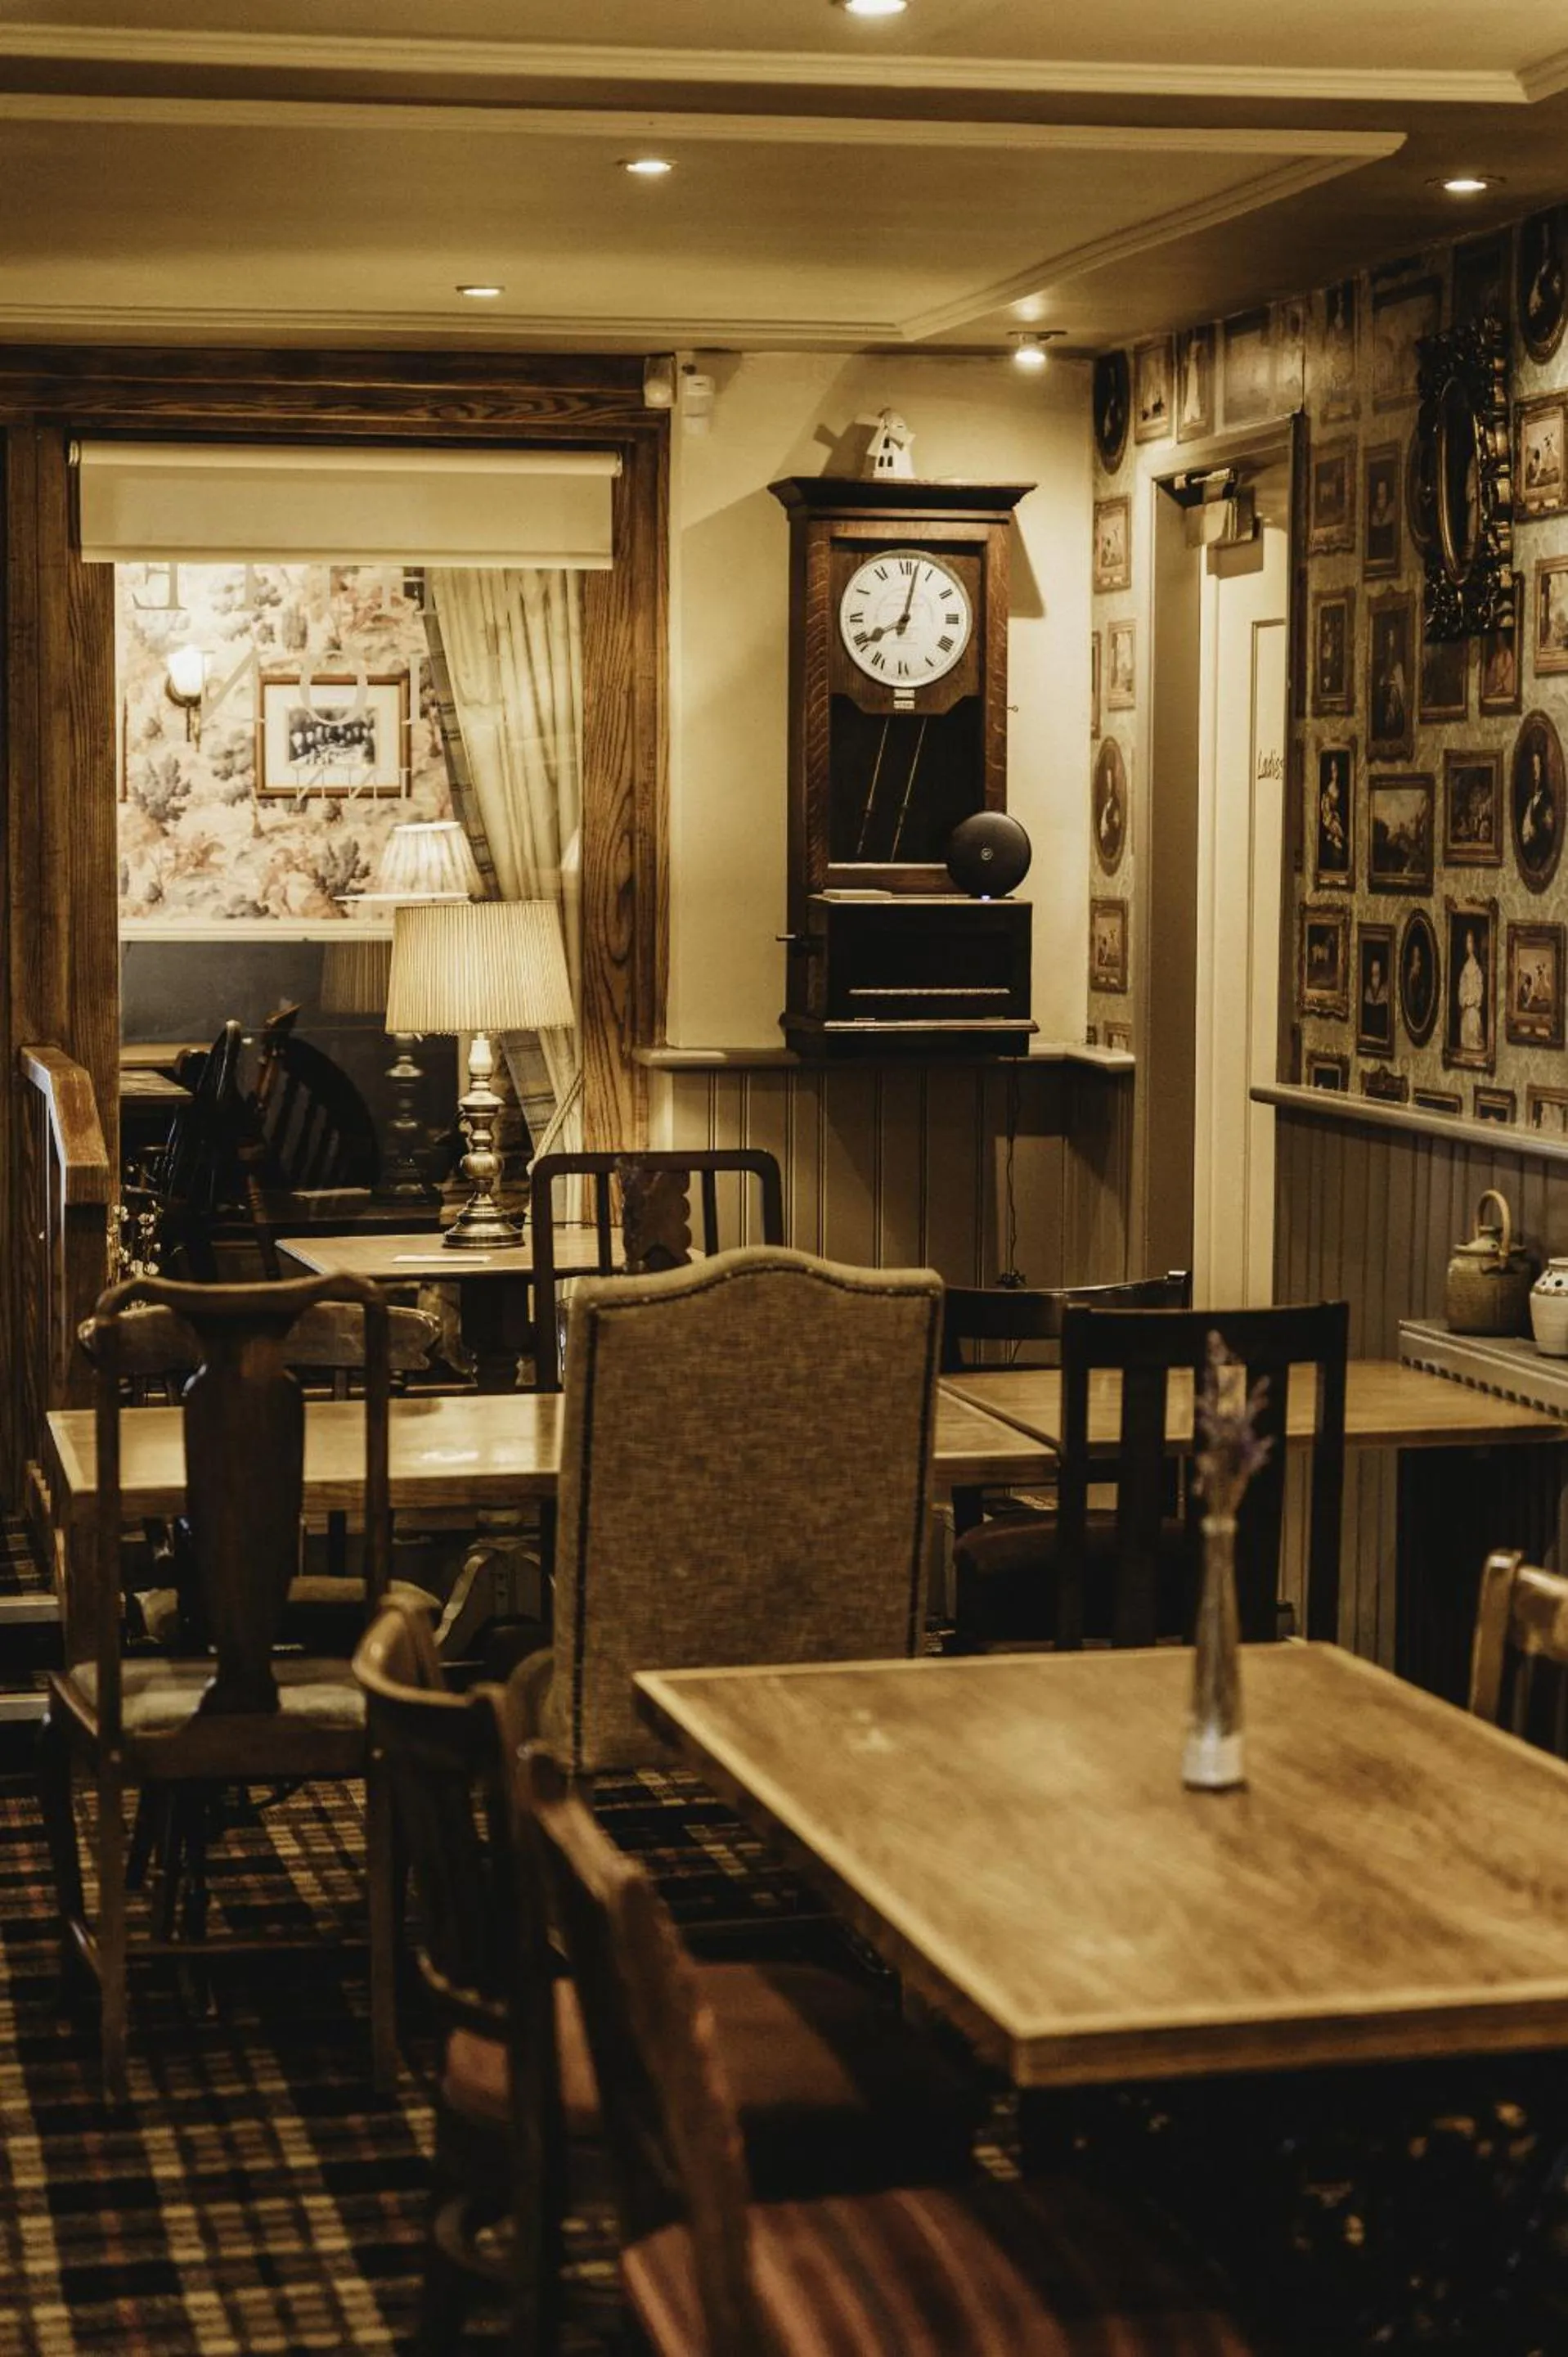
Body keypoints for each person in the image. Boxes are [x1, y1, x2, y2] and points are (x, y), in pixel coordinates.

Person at [1458, 928, 1485, 1053]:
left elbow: (1480, 987)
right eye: (1467, 942)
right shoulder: (1464, 968)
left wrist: (1474, 998)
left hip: (1474, 1011)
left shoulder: (1477, 968)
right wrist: (1464, 999)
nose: (1469, 945)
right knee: (1465, 1039)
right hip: (1466, 1012)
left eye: (1471, 942)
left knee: (1475, 1036)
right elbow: (1462, 988)